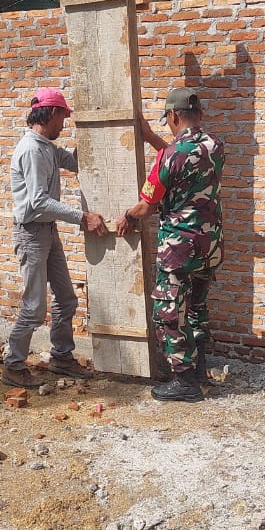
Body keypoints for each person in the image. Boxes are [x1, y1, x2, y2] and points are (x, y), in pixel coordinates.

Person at [115, 87, 224, 402]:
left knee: (168, 312)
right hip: (210, 246)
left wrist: (127, 216)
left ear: (174, 115)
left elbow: (146, 206)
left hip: (180, 248)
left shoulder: (169, 156)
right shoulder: (215, 146)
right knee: (196, 308)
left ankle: (185, 381)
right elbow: (184, 161)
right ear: (199, 114)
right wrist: (152, 138)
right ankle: (199, 371)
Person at [2, 87, 107, 388]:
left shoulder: (46, 146)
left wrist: (94, 135)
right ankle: (13, 365)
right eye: (63, 117)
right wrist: (83, 217)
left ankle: (61, 357)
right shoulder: (32, 150)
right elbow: (38, 202)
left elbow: (74, 162)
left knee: (66, 298)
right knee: (34, 307)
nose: (64, 124)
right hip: (32, 234)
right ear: (50, 113)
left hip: (47, 231)